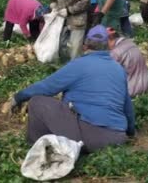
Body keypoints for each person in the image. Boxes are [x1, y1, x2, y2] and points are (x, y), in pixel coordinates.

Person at [10, 25, 135, 153]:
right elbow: (127, 107)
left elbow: (46, 87)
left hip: (90, 138)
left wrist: (18, 97)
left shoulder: (78, 65)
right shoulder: (118, 69)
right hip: (118, 138)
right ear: (109, 47)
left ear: (85, 46)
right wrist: (130, 132)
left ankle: (37, 148)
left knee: (37, 102)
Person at [107, 28, 148, 97]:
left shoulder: (115, 53)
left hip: (131, 91)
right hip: (145, 85)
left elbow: (108, 75)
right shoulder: (131, 43)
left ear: (110, 38)